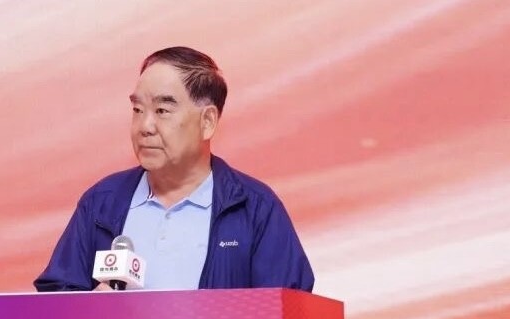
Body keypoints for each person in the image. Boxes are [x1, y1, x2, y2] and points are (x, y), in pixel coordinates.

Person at [34, 46, 314, 292]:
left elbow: (286, 314)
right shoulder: (101, 203)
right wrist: (88, 311)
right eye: (137, 110)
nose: (145, 127)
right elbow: (56, 299)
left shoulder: (255, 209)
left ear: (207, 122)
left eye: (162, 111)